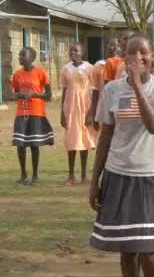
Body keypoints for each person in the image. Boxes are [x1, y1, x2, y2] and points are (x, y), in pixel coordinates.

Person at [89, 34, 154, 277]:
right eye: (131, 53)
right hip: (117, 174)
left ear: (152, 57)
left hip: (150, 177)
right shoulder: (112, 90)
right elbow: (105, 135)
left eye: (143, 53)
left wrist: (138, 85)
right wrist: (95, 180)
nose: (137, 58)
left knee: (150, 250)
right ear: (123, 58)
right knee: (127, 250)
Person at [11, 47, 54, 186]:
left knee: (35, 145)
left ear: (32, 58)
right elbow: (14, 94)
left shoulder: (41, 73)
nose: (20, 57)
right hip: (21, 112)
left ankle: (35, 176)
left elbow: (48, 95)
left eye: (23, 55)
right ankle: (23, 174)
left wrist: (34, 94)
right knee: (20, 144)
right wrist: (19, 95)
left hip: (36, 112)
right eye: (19, 55)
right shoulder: (17, 74)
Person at [60, 43, 98, 186]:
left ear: (82, 52)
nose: (73, 52)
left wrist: (91, 112)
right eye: (71, 50)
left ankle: (83, 176)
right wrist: (62, 113)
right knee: (71, 141)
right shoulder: (66, 69)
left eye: (76, 50)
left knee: (83, 141)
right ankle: (70, 175)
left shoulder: (90, 68)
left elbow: (94, 90)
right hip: (70, 108)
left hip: (85, 107)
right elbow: (64, 91)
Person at [89, 38, 119, 131]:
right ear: (106, 47)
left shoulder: (123, 66)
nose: (114, 48)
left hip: (119, 111)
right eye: (112, 44)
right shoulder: (99, 66)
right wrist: (94, 114)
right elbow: (95, 92)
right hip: (104, 110)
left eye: (118, 45)